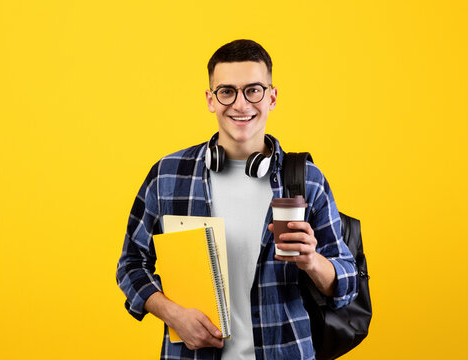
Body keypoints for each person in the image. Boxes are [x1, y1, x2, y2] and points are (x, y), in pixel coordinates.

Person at [115, 39, 358, 360]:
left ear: (272, 97)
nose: (241, 104)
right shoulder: (168, 175)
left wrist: (312, 261)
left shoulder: (305, 178)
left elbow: (347, 283)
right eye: (227, 91)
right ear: (210, 100)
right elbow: (131, 265)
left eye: (253, 90)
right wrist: (172, 313)